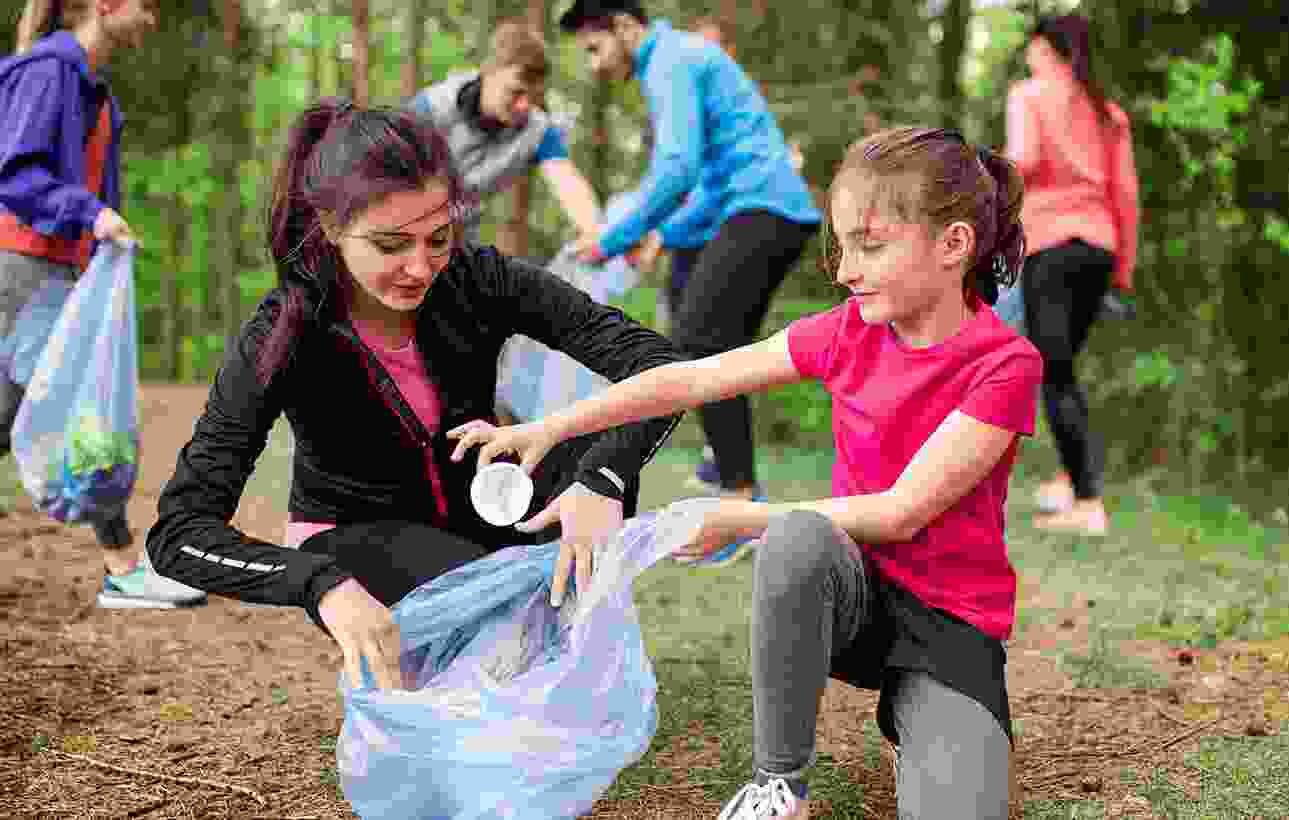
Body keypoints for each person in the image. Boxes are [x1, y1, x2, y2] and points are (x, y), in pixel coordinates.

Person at [452, 126, 1042, 820]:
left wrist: (738, 518)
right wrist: (552, 427)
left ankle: (916, 711)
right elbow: (691, 379)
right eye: (842, 247)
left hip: (948, 623)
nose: (846, 271)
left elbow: (902, 512)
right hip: (848, 592)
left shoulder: (1005, 366)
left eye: (871, 246)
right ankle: (779, 786)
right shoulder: (848, 330)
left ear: (953, 245)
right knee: (798, 537)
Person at [145, 100, 685, 691]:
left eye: (438, 238)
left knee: (595, 451)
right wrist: (317, 583)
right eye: (391, 245)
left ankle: (551, 647)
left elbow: (660, 367)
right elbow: (180, 532)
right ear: (331, 227)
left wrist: (602, 478)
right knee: (494, 619)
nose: (421, 268)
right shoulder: (286, 330)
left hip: (481, 505)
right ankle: (509, 650)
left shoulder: (477, 278)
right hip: (358, 538)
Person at [559, 0, 822, 556]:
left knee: (701, 342)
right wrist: (662, 234)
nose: (595, 64)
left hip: (764, 208)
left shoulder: (670, 60)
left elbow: (678, 169)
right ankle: (728, 476)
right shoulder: (679, 59)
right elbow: (705, 178)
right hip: (749, 209)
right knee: (703, 342)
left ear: (625, 27)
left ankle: (740, 502)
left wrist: (613, 237)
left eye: (595, 48)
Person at [1, 0, 205, 609]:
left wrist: (98, 240)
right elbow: (15, 174)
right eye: (145, 5)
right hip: (25, 267)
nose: (151, 19)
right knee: (86, 415)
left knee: (32, 414)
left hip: (56, 270)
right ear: (106, 4)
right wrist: (90, 215)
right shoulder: (49, 71)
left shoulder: (92, 88)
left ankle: (122, 568)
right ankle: (122, 568)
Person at [1005, 14, 1138, 536]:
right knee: (1063, 366)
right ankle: (1070, 478)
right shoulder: (1107, 111)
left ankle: (1087, 504)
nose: (1028, 57)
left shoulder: (1029, 96)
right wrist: (1123, 269)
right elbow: (1125, 194)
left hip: (1051, 245)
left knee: (1054, 371)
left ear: (1046, 49)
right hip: (1098, 250)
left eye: (1033, 47)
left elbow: (1023, 160)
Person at [410, 19, 604, 247]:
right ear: (488, 71)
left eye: (534, 96)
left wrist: (597, 233)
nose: (525, 106)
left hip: (459, 240)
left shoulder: (537, 129)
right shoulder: (431, 109)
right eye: (515, 92)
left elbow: (567, 181)